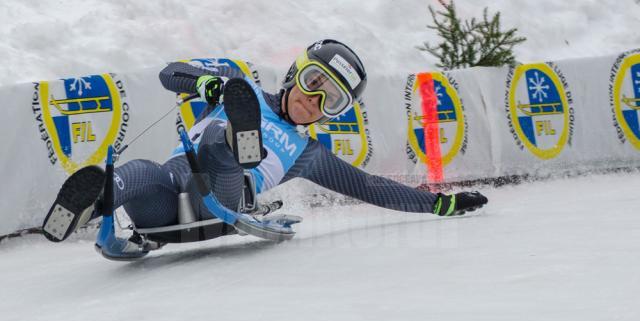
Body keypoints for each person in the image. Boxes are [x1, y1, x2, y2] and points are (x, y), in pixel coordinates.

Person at [42, 39, 488, 244]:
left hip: (226, 198)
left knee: (220, 143)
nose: (314, 102)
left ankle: (240, 145)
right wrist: (206, 87)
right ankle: (94, 198)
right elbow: (168, 73)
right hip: (167, 206)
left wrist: (439, 204)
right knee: (142, 171)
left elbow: (369, 187)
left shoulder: (308, 154)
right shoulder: (241, 89)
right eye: (314, 83)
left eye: (330, 100)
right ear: (296, 73)